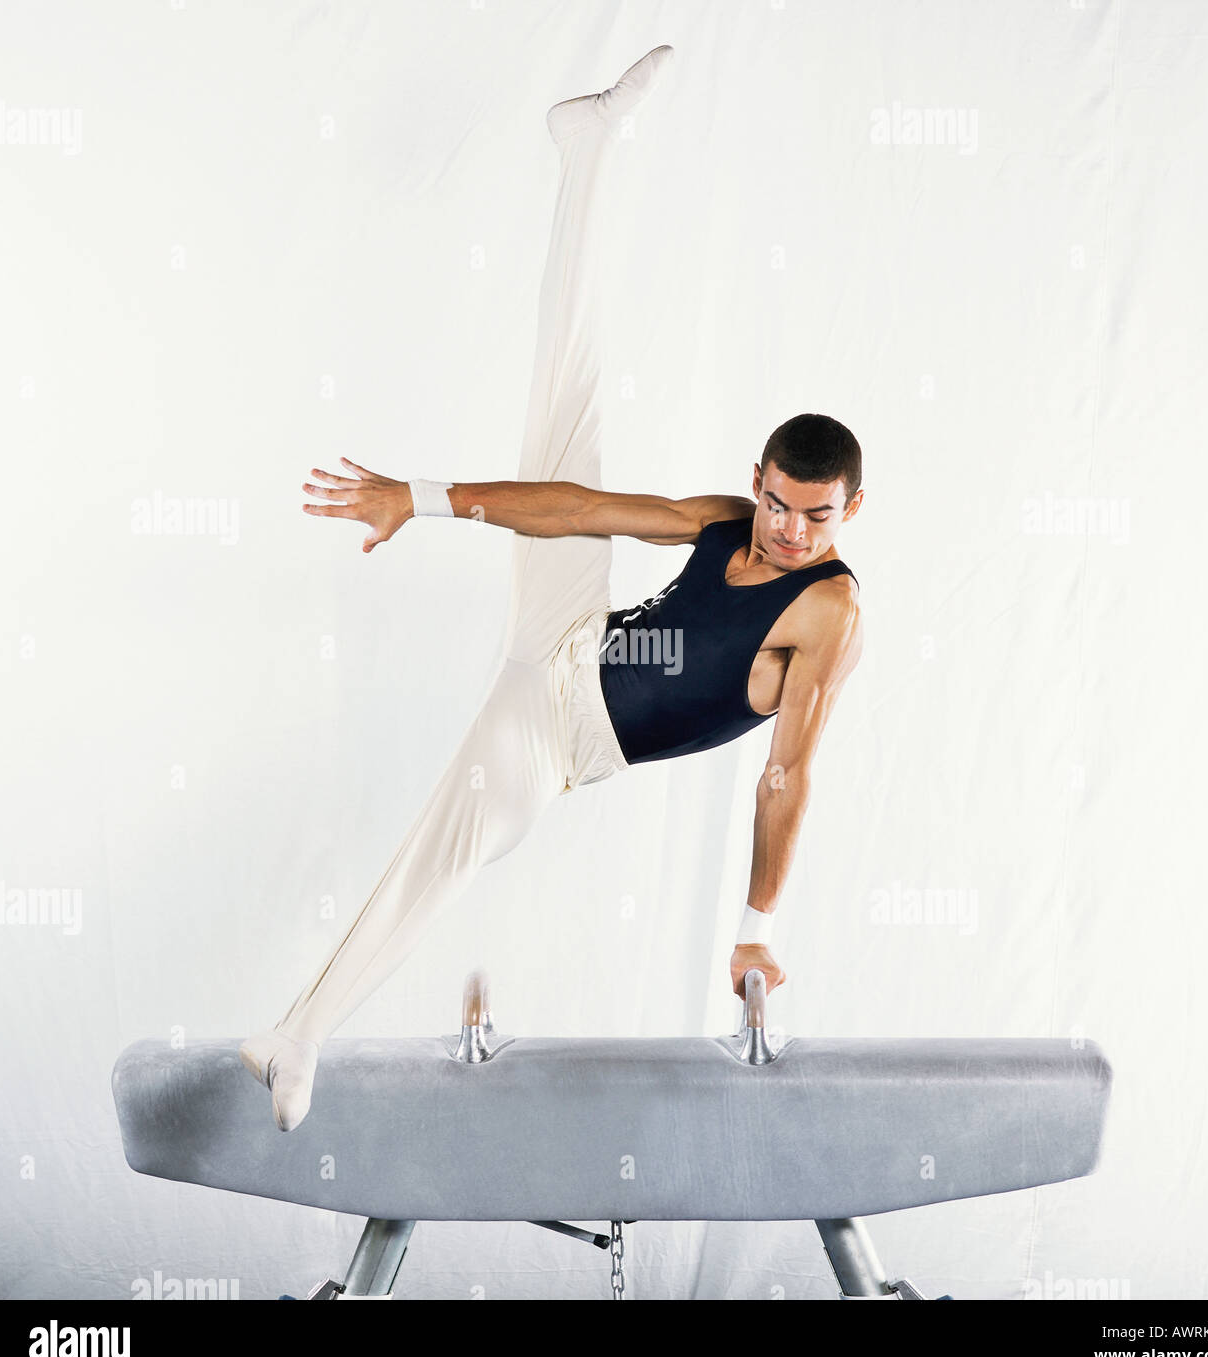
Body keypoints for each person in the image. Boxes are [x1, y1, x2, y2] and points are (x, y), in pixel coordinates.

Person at [240, 45, 865, 1130]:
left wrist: (758, 919)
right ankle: (585, 148)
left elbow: (784, 778)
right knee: (567, 412)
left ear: (848, 512)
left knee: (455, 838)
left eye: (816, 515)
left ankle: (298, 1031)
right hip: (569, 629)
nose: (788, 530)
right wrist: (419, 496)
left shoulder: (828, 609)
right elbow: (578, 508)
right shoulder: (725, 517)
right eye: (775, 503)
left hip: (563, 735)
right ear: (756, 480)